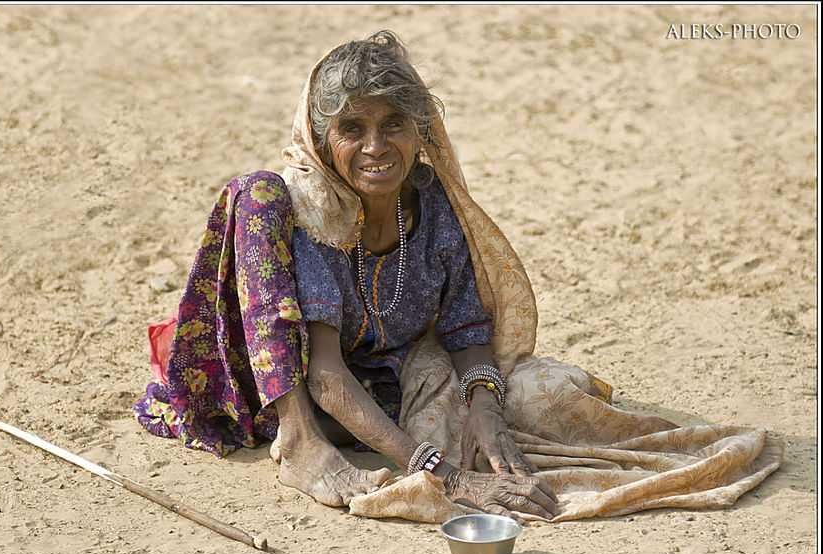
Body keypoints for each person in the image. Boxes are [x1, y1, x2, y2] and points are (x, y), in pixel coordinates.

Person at [134, 31, 781, 524]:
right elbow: (325, 373)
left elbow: (470, 327)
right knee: (256, 191)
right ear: (322, 137)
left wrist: (484, 410)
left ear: (422, 130)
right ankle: (298, 442)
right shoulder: (314, 209)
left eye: (393, 124)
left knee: (543, 393)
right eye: (352, 128)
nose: (375, 146)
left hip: (380, 391)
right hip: (286, 391)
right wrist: (440, 470)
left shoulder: (433, 204)